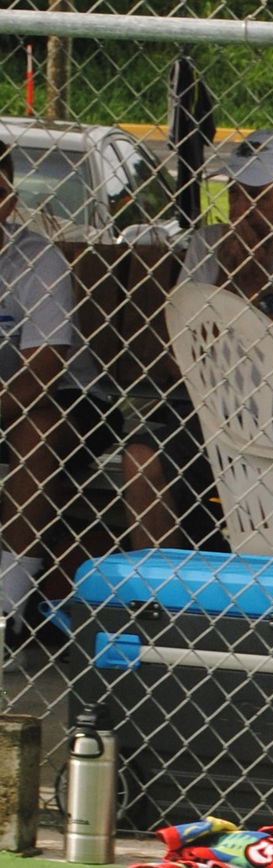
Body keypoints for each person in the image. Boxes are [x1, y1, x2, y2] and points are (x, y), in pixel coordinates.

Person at [122, 129, 273, 552]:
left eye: (260, 197)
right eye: (236, 194)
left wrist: (263, 294)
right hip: (219, 410)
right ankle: (166, 594)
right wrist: (227, 285)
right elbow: (177, 360)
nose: (243, 209)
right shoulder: (211, 244)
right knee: (142, 461)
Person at [0, 143, 119, 649]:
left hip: (71, 397)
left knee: (39, 427)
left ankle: (6, 611)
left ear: (8, 199)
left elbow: (45, 371)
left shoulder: (35, 257)